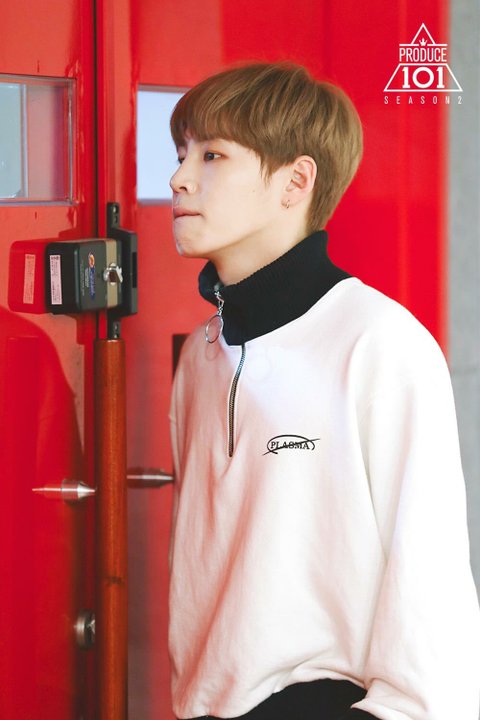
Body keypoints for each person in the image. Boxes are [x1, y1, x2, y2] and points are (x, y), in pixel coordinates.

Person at [167, 61, 480, 720]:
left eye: (212, 155)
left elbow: (431, 581)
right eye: (182, 154)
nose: (180, 178)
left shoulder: (379, 343)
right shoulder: (200, 355)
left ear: (296, 181)